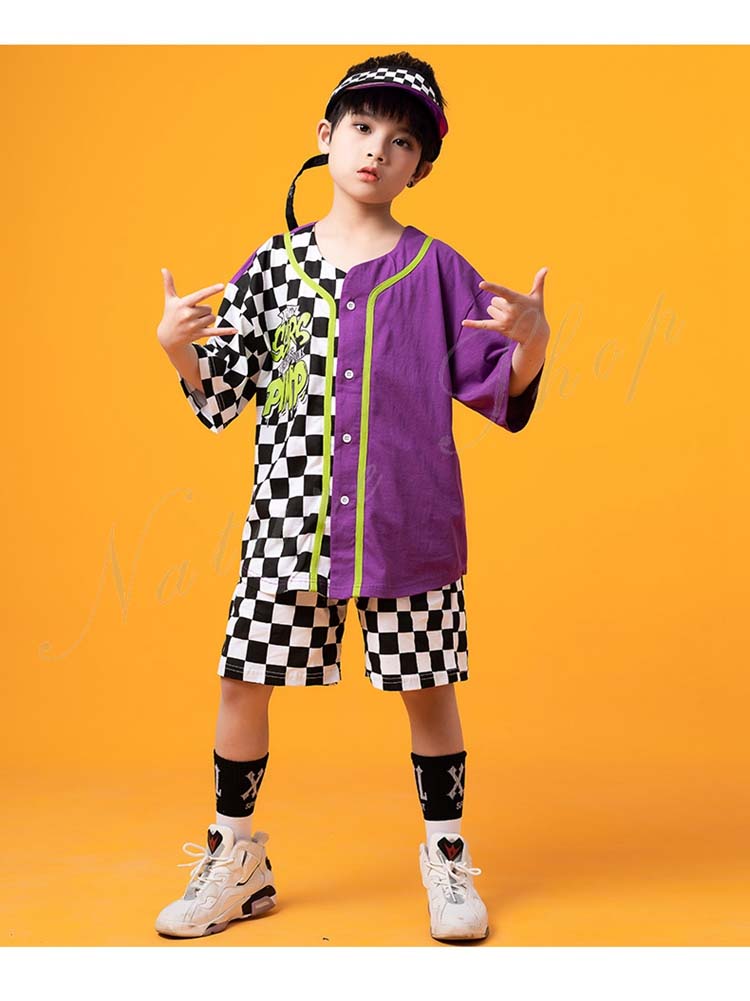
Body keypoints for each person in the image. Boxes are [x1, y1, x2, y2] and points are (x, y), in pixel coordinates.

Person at [154, 50, 549, 942]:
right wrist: (176, 345)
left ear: (420, 167)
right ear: (326, 135)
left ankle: (447, 857)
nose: (377, 150)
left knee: (429, 686)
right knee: (244, 680)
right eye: (363, 128)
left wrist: (534, 342)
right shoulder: (272, 268)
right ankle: (235, 857)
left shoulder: (438, 270)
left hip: (410, 524)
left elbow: (497, 387)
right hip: (289, 526)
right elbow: (223, 390)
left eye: (402, 141)